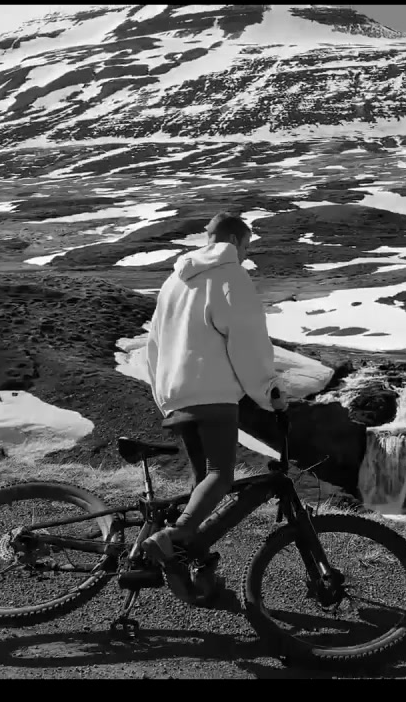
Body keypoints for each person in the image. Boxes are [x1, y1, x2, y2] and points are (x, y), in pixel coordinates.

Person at [140, 211, 286, 566]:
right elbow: (248, 341)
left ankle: (187, 566)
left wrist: (164, 397)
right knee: (221, 474)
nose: (246, 255)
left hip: (177, 394)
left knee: (202, 480)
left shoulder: (174, 280)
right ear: (234, 241)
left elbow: (154, 344)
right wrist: (269, 392)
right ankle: (172, 536)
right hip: (213, 394)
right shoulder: (231, 275)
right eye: (246, 247)